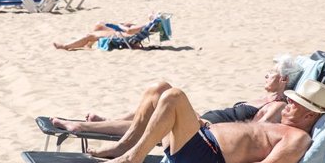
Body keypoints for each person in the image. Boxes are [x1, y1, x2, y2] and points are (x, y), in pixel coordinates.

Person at [91, 79, 325, 163]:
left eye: (294, 103)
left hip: (203, 157)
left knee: (174, 96)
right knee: (159, 89)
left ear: (310, 114)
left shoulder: (298, 138)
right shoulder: (281, 123)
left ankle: (133, 158)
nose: (288, 103)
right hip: (201, 139)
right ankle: (124, 147)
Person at [51, 56, 304, 134]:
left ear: (283, 79)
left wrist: (208, 127)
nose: (265, 76)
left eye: (270, 73)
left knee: (163, 100)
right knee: (159, 89)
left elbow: (254, 133)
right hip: (203, 122)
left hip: (205, 132)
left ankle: (84, 127)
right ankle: (104, 122)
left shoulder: (279, 106)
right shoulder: (266, 99)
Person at [53, 16, 156, 50]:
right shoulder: (147, 25)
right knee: (100, 25)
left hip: (122, 36)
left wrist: (118, 26)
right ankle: (88, 45)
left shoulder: (145, 25)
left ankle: (66, 46)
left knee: (89, 36)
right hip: (125, 35)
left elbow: (129, 31)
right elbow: (131, 29)